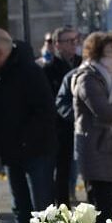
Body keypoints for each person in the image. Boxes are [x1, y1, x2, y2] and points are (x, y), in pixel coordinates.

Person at [0, 28, 57, 223]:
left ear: (0, 52)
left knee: (41, 207)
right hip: (11, 154)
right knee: (19, 205)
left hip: (37, 152)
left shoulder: (30, 72)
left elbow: (45, 112)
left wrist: (24, 140)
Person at [72, 31, 112, 221]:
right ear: (96, 53)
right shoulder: (87, 78)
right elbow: (105, 112)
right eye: (109, 52)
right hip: (95, 147)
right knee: (101, 204)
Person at [42, 26, 82, 206]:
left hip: (82, 125)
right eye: (69, 41)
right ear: (57, 45)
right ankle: (62, 206)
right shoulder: (49, 69)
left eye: (76, 40)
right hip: (60, 127)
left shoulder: (82, 63)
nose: (74, 44)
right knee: (62, 171)